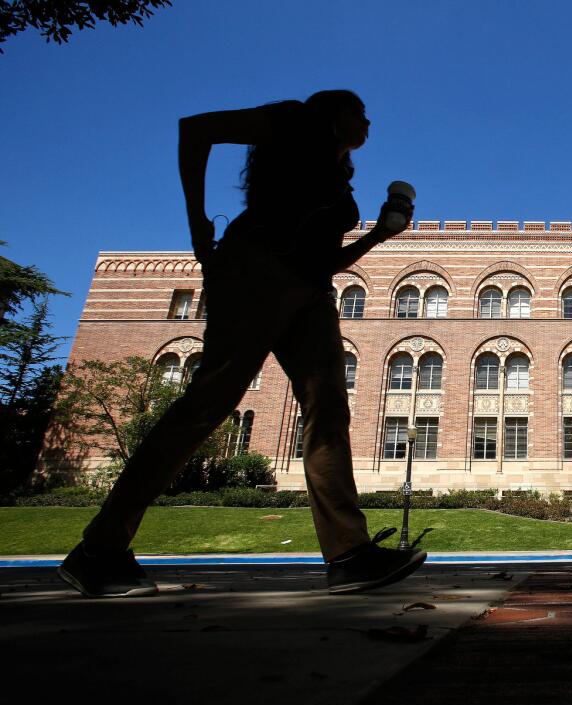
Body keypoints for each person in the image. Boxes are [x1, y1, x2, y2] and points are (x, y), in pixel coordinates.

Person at [58, 90, 425, 597]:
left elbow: (326, 263)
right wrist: (196, 226)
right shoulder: (293, 122)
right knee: (208, 404)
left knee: (329, 408)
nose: (368, 121)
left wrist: (377, 237)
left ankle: (349, 553)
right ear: (331, 113)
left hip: (310, 291)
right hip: (257, 271)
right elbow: (196, 129)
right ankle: (99, 548)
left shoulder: (340, 182)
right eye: (358, 111)